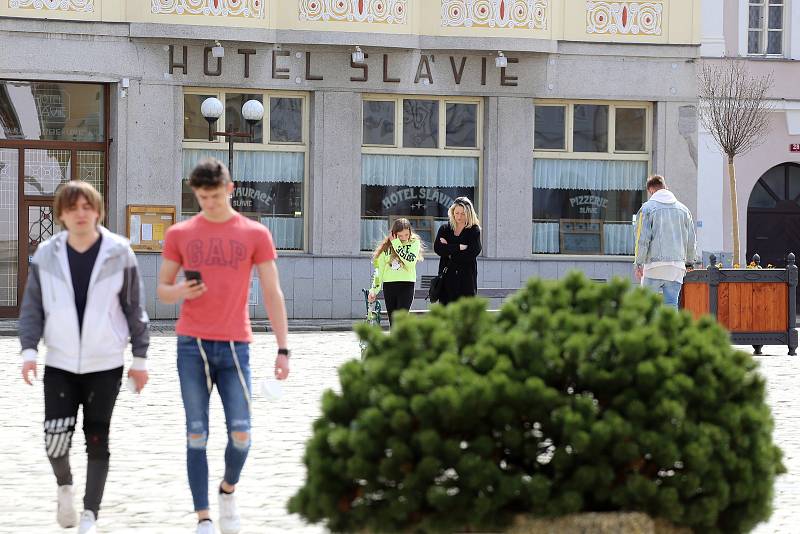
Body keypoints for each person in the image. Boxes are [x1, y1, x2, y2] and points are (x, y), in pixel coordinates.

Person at [157, 158, 290, 534]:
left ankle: (228, 489)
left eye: (214, 196)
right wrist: (181, 289)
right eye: (201, 197)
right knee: (196, 432)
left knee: (242, 434)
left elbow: (271, 291)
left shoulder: (254, 234)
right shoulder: (180, 234)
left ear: (229, 190)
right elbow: (163, 290)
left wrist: (283, 348)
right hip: (192, 347)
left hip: (235, 346)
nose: (209, 203)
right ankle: (203, 517)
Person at [19, 181, 150, 534]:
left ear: (98, 211)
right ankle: (65, 487)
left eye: (87, 206)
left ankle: (90, 514)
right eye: (73, 207)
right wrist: (29, 350)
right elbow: (33, 306)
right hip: (60, 364)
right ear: (61, 213)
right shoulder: (47, 254)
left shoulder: (119, 251)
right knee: (54, 441)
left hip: (105, 365)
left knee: (97, 437)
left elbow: (134, 308)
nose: (80, 213)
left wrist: (140, 358)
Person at [634, 174, 697, 309]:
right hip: (676, 267)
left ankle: (650, 330)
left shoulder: (646, 209)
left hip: (654, 265)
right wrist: (690, 263)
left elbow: (642, 239)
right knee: (671, 304)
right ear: (665, 187)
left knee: (647, 306)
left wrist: (638, 263)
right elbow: (691, 240)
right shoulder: (684, 210)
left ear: (651, 190)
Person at [368, 218, 423, 326]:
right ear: (394, 234)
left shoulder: (414, 243)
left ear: (410, 232)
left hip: (406, 285)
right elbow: (379, 270)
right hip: (389, 286)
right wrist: (374, 289)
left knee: (400, 321)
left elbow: (410, 262)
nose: (403, 238)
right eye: (400, 236)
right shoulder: (386, 247)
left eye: (406, 235)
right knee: (393, 322)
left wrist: (396, 243)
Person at [433, 197, 482, 305]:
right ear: (452, 212)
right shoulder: (445, 229)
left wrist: (448, 250)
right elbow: (438, 249)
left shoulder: (474, 230)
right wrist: (458, 247)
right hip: (446, 279)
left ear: (469, 213)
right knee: (445, 314)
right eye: (457, 213)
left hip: (466, 280)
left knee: (465, 316)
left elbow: (472, 252)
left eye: (463, 213)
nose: (459, 216)